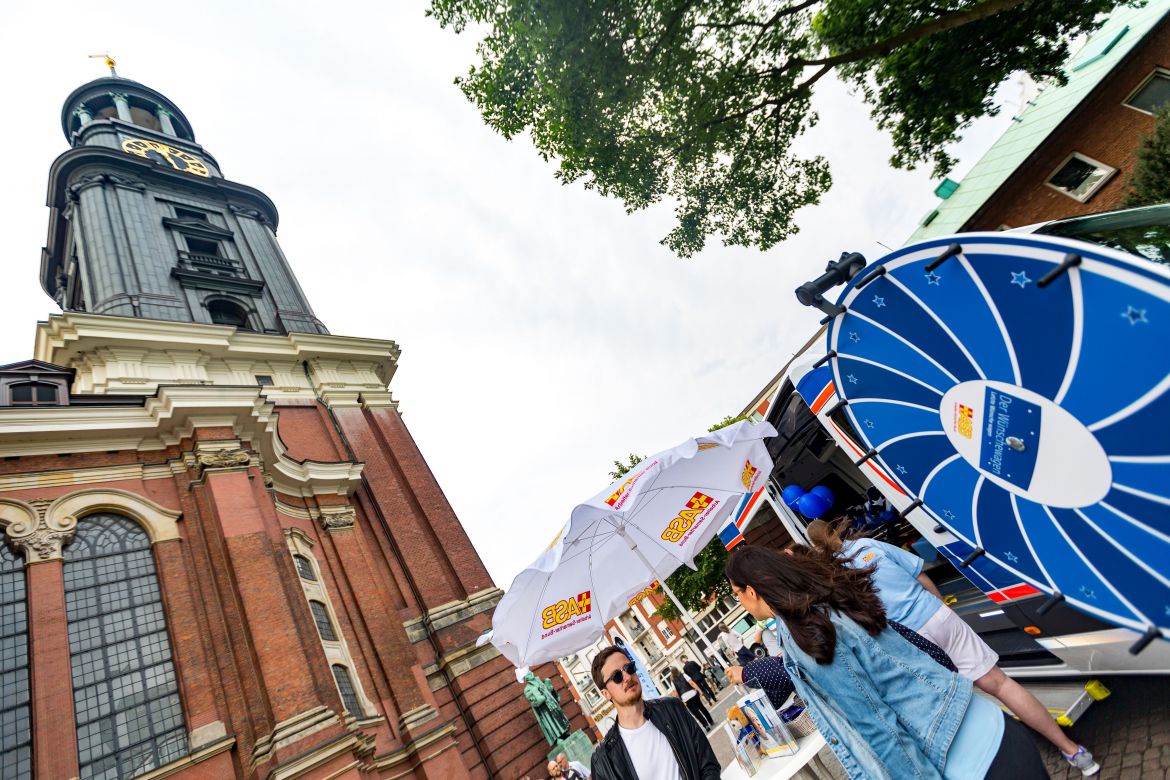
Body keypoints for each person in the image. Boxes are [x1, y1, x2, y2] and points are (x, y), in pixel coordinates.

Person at [726, 544, 1049, 780]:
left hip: (968, 763)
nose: (740, 602)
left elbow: (877, 726)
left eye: (736, 594)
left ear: (751, 592)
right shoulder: (825, 603)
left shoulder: (808, 633)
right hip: (991, 729)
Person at [807, 519, 1098, 776]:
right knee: (1000, 683)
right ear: (835, 530)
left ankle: (1001, 753)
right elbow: (921, 575)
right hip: (937, 615)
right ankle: (1074, 752)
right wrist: (940, 607)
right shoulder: (870, 545)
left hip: (910, 640)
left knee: (960, 704)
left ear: (817, 548)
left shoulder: (835, 576)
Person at [589, 646, 721, 780]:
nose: (627, 677)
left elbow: (708, 765)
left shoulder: (673, 709)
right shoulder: (603, 760)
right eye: (617, 676)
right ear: (606, 694)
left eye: (629, 668)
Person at [670, 665, 714, 730]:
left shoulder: (672, 682)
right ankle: (710, 721)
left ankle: (705, 725)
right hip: (693, 693)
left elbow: (676, 693)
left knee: (696, 713)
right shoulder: (684, 675)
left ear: (672, 673)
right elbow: (692, 683)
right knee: (702, 707)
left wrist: (680, 701)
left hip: (685, 698)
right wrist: (699, 690)